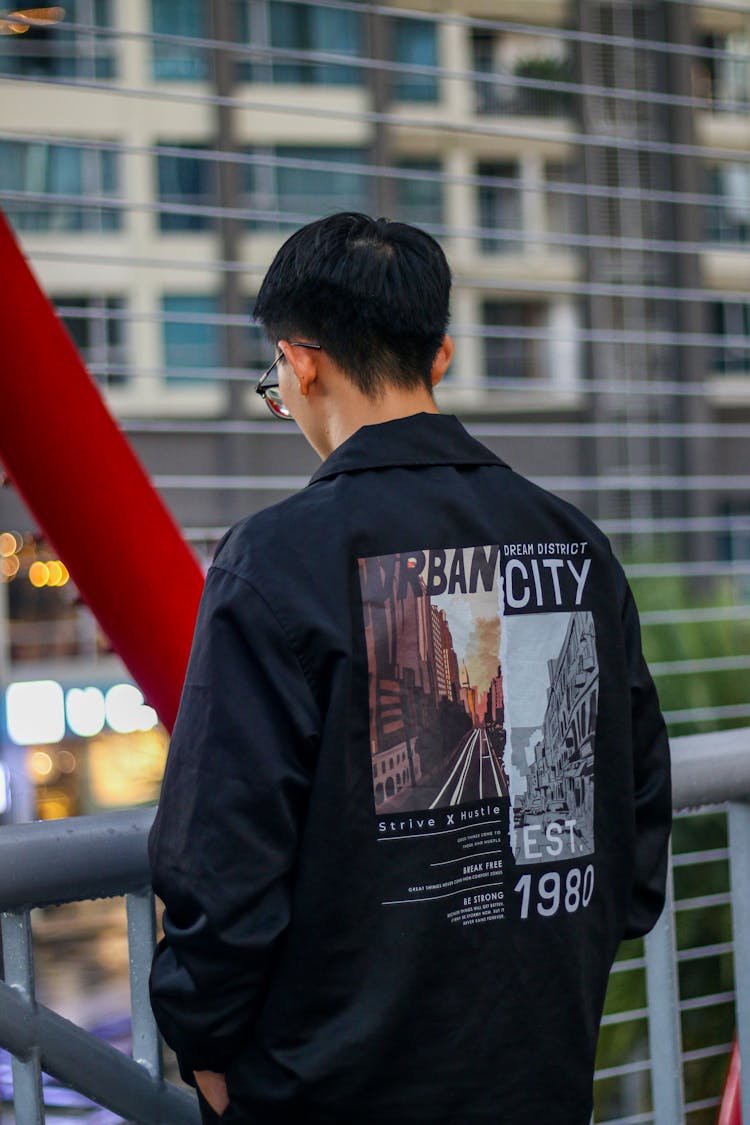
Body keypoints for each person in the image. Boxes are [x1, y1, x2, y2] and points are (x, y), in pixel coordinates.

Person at [149, 212, 671, 1125]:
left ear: (300, 361)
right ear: (442, 354)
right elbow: (637, 828)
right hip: (540, 1074)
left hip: (328, 1089)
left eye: (276, 381)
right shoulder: (576, 544)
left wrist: (207, 1042)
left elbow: (221, 857)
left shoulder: (274, 561)